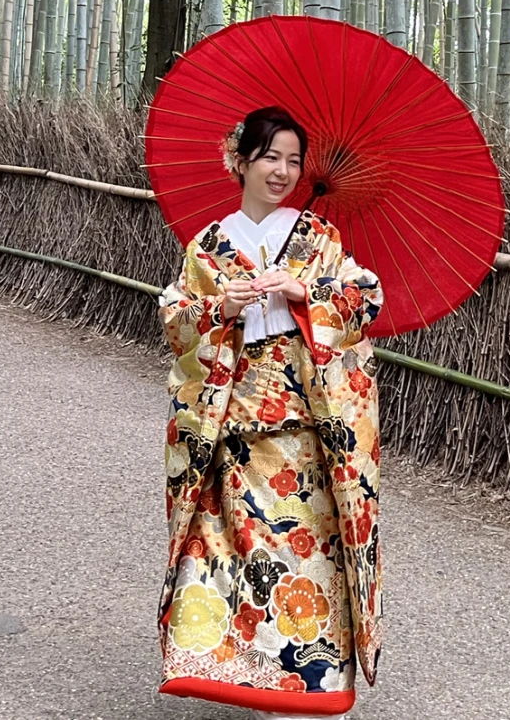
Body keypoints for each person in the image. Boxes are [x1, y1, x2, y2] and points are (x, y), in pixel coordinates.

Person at [156, 106, 383, 717]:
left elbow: (366, 298)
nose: (282, 171)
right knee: (223, 546)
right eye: (269, 157)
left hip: (303, 429)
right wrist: (218, 311)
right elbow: (175, 319)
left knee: (302, 554)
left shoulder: (318, 238)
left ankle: (305, 679)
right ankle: (216, 663)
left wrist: (307, 293)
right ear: (240, 161)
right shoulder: (209, 246)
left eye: (292, 160)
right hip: (229, 424)